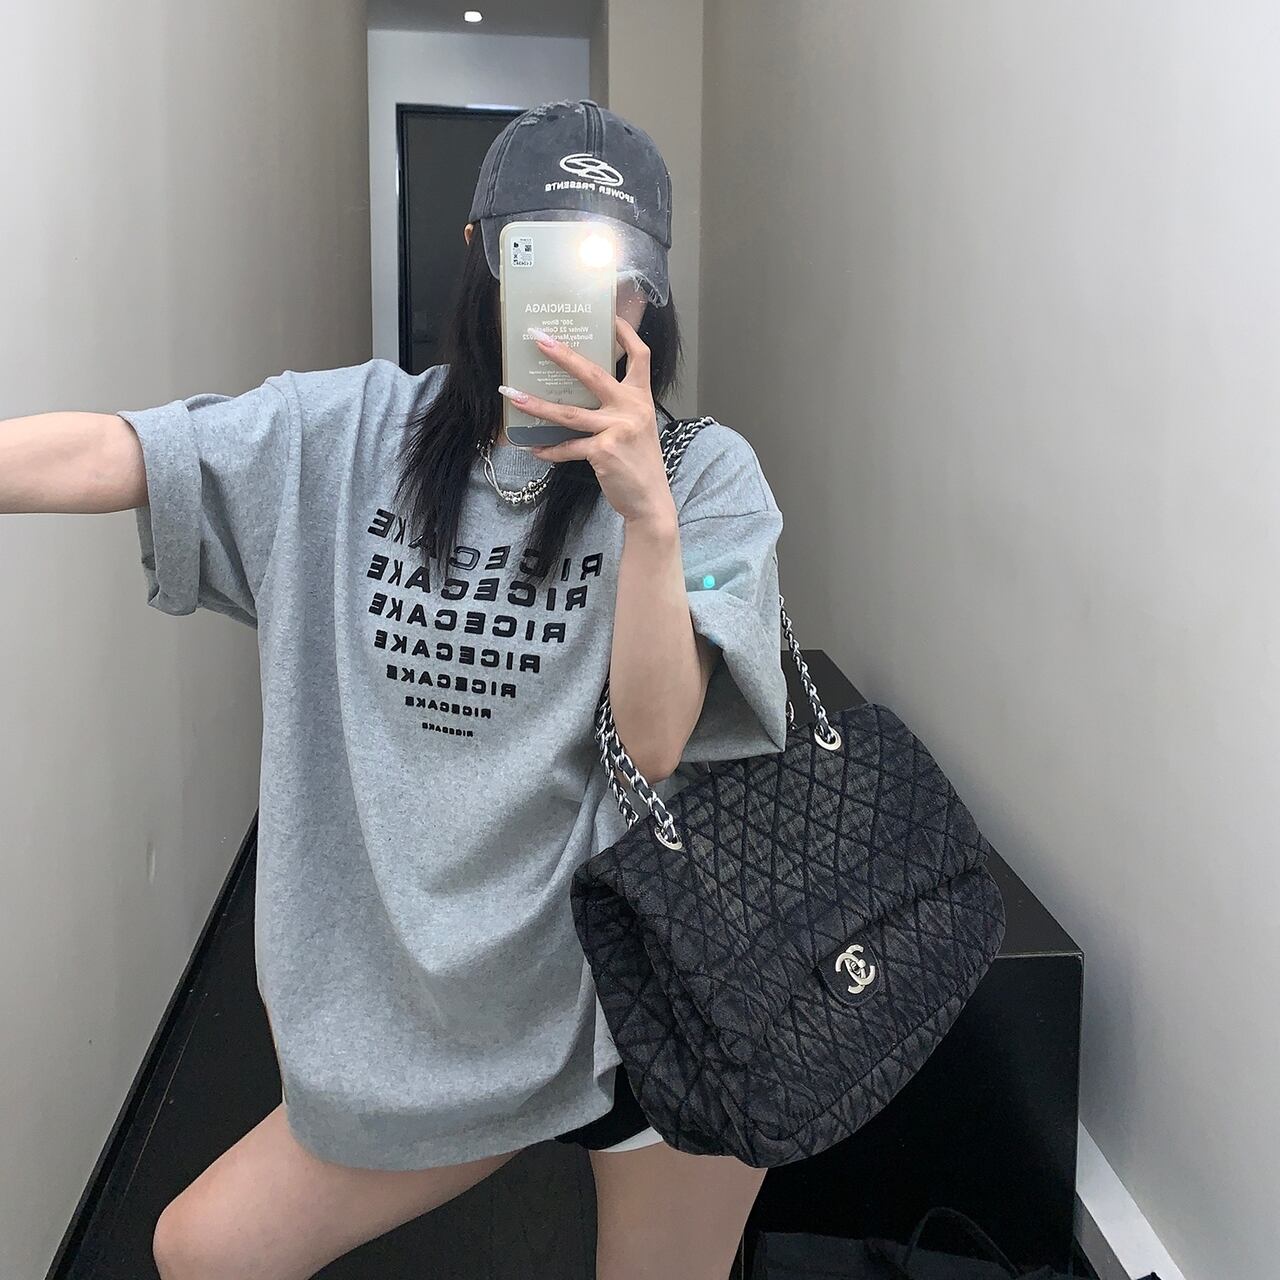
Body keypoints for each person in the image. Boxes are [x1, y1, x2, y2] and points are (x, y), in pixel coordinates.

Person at [1, 98, 789, 1279]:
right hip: (440, 1018)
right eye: (547, 260)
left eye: (620, 276)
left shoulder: (706, 474)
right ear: (481, 257)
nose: (591, 307)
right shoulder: (351, 434)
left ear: (653, 293)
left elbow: (656, 737)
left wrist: (646, 516)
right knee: (202, 1249)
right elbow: (121, 451)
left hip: (639, 1004)